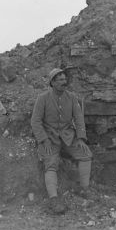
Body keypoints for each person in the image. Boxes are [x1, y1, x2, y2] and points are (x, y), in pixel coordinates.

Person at [31, 68, 93, 214]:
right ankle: (54, 199)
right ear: (52, 83)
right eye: (59, 80)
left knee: (86, 154)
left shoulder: (71, 98)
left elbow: (79, 119)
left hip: (68, 136)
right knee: (51, 163)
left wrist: (81, 138)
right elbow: (35, 121)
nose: (63, 82)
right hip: (49, 137)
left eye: (64, 80)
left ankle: (85, 189)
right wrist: (43, 139)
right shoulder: (43, 98)